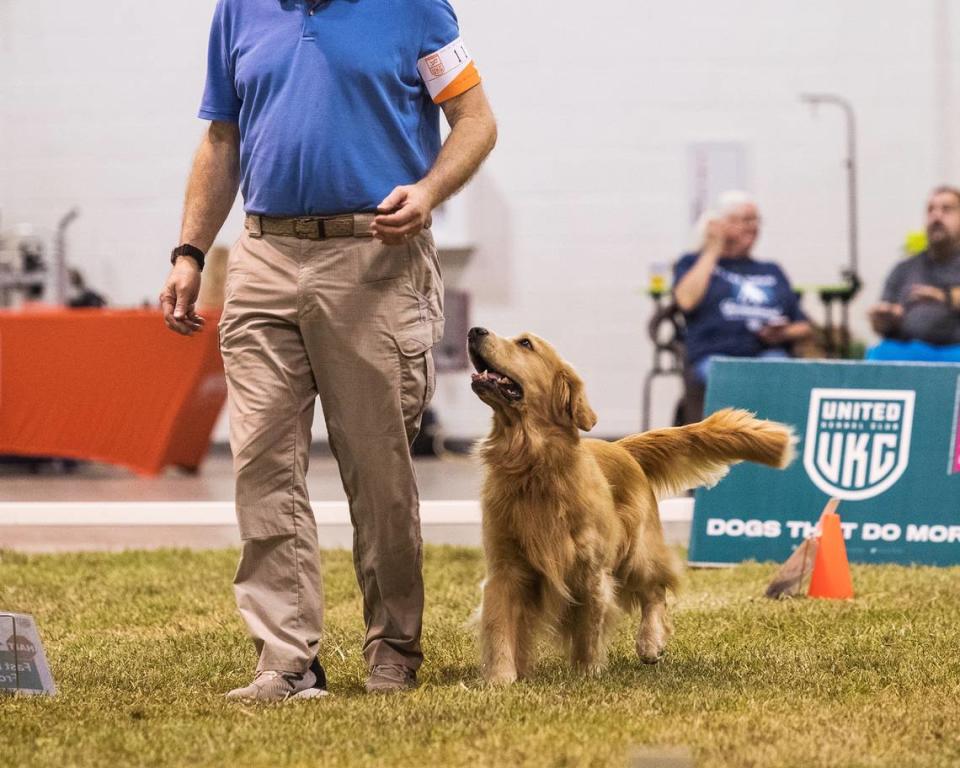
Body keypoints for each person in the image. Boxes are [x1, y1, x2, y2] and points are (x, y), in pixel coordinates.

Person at [158, 0, 496, 701]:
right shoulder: (239, 11)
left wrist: (430, 191)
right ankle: (285, 661)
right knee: (260, 464)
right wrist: (190, 250)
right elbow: (222, 138)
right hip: (263, 255)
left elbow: (476, 121)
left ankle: (393, 651)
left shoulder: (412, 8)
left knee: (379, 472)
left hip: (374, 254)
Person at [672, 191, 812, 422]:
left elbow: (804, 326)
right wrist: (713, 249)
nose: (753, 227)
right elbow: (686, 301)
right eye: (745, 220)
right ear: (720, 224)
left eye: (756, 220)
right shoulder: (693, 262)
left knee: (782, 375)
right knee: (733, 380)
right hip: (715, 355)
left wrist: (783, 333)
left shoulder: (771, 270)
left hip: (767, 352)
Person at [867, 186, 960, 362]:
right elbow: (882, 328)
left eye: (946, 209)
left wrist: (944, 297)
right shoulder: (904, 268)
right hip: (909, 350)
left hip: (955, 351)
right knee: (879, 353)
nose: (936, 216)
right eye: (931, 209)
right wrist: (885, 319)